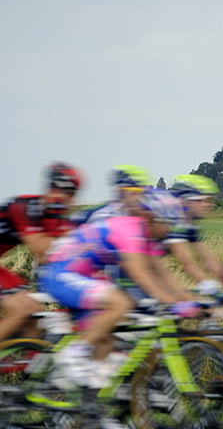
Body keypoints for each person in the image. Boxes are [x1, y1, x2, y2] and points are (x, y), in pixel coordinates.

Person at [38, 189, 196, 388]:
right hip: (60, 272)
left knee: (106, 343)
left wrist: (186, 298)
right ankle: (72, 354)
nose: (168, 230)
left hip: (82, 274)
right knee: (121, 303)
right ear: (150, 217)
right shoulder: (129, 230)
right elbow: (140, 274)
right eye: (166, 223)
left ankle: (89, 404)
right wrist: (170, 301)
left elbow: (160, 273)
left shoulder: (148, 237)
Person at [0, 162, 82, 342]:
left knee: (34, 311)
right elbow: (39, 247)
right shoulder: (24, 206)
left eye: (73, 194)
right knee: (22, 309)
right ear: (52, 189)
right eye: (68, 193)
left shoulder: (53, 215)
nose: (71, 200)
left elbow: (47, 257)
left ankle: (29, 366)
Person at [166, 175, 223, 294]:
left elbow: (208, 260)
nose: (209, 205)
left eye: (210, 200)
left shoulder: (190, 223)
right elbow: (186, 262)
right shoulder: (173, 221)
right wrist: (209, 287)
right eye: (202, 200)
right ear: (187, 201)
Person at [70, 164, 153, 225]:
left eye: (143, 191)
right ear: (120, 191)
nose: (139, 196)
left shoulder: (148, 214)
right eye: (134, 191)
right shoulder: (101, 215)